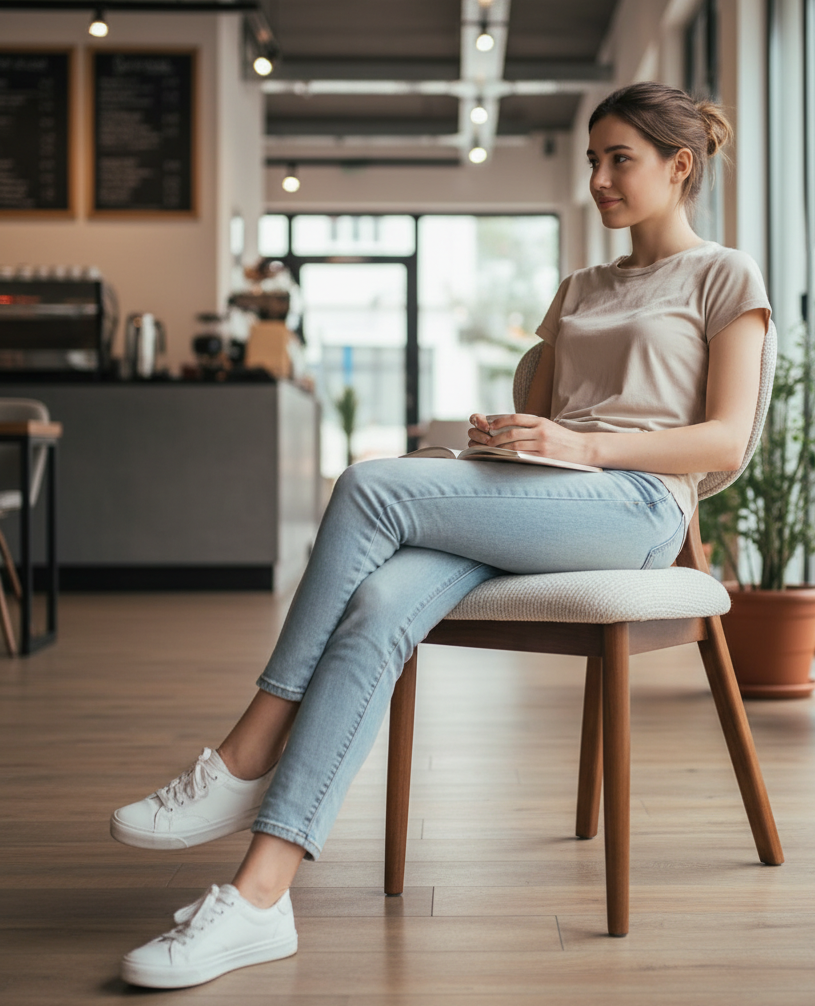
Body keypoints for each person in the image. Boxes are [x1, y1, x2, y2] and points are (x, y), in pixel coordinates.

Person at [112, 82, 772, 989]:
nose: (600, 179)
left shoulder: (725, 276)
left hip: (639, 509)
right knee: (379, 603)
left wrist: (577, 442)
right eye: (593, 160)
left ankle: (247, 749)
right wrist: (510, 439)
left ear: (679, 165)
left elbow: (726, 439)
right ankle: (261, 898)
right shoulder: (579, 287)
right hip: (553, 497)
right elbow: (545, 423)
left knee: (370, 489)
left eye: (620, 159)